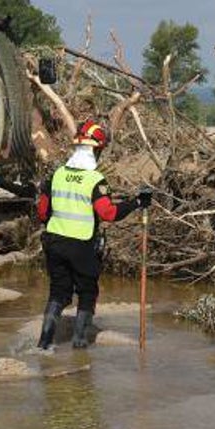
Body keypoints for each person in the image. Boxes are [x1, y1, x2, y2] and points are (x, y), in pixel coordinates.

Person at [35, 119, 151, 350]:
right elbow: (108, 213)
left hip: (54, 241)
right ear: (96, 150)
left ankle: (44, 343)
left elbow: (42, 211)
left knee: (58, 292)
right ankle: (79, 345)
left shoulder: (56, 175)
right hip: (82, 245)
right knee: (87, 292)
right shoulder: (95, 180)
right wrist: (136, 202)